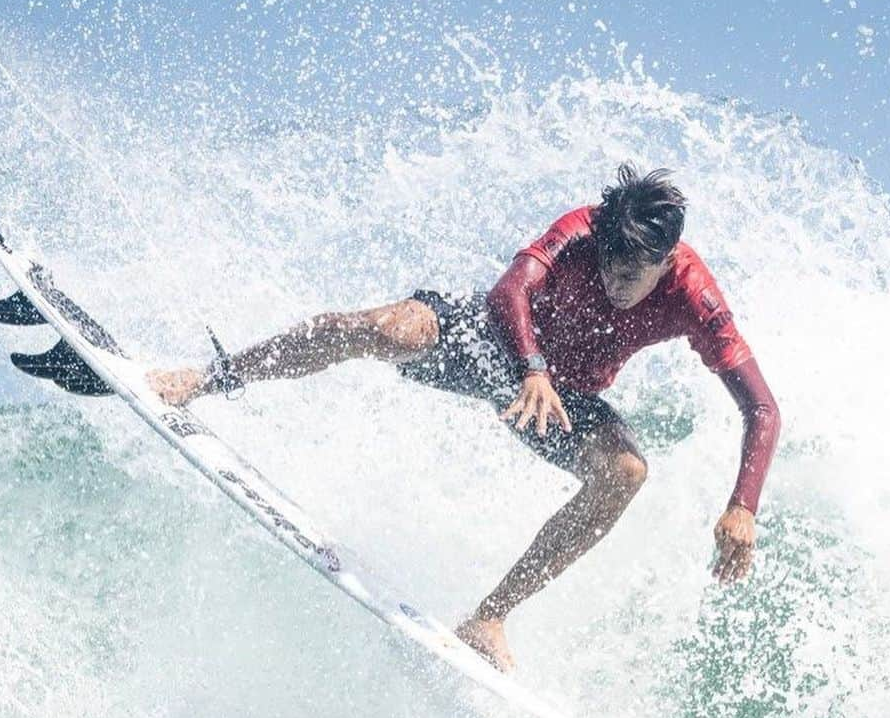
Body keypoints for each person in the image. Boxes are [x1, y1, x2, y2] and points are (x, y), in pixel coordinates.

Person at [148, 165, 781, 672]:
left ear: (668, 261)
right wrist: (529, 365)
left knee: (625, 472)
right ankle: (209, 377)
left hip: (566, 399)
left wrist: (743, 506)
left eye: (631, 275)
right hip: (497, 342)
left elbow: (762, 409)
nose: (616, 284)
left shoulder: (695, 296)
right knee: (388, 327)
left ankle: (489, 618)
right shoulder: (587, 230)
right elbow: (511, 290)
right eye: (608, 267)